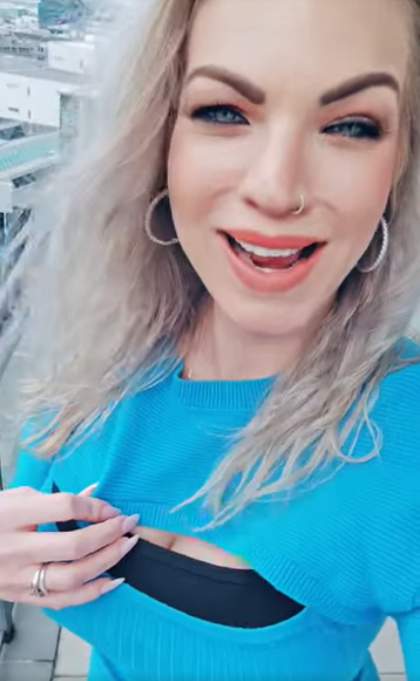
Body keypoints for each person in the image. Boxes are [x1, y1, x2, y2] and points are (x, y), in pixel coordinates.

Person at [1, 0, 420, 679]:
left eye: (350, 126)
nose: (276, 189)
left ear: (401, 164)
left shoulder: (405, 436)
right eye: (224, 112)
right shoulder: (100, 345)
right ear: (160, 138)